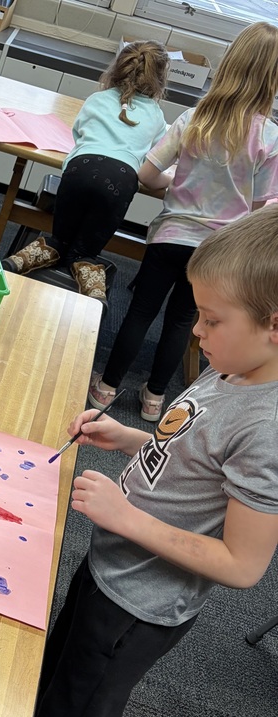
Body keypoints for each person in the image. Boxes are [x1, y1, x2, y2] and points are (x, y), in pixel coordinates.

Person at [0, 203, 278, 717]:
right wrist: (127, 437)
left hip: (140, 606)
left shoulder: (269, 430)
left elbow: (243, 566)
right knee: (53, 685)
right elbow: (187, 448)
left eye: (211, 320)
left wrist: (126, 517)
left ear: (274, 327)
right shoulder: (234, 366)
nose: (195, 332)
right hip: (111, 568)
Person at [88, 21, 278, 422]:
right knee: (183, 321)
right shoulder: (270, 138)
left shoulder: (194, 118)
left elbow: (147, 175)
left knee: (141, 311)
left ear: (228, 64)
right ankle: (155, 398)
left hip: (170, 235)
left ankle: (106, 387)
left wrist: (174, 183)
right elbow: (260, 209)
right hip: (217, 252)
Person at [2, 39, 169, 302]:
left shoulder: (97, 99)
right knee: (85, 252)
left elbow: (78, 131)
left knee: (60, 238)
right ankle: (92, 290)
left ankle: (22, 259)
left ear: (117, 68)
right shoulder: (157, 116)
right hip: (120, 181)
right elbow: (155, 154)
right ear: (159, 79)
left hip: (79, 170)